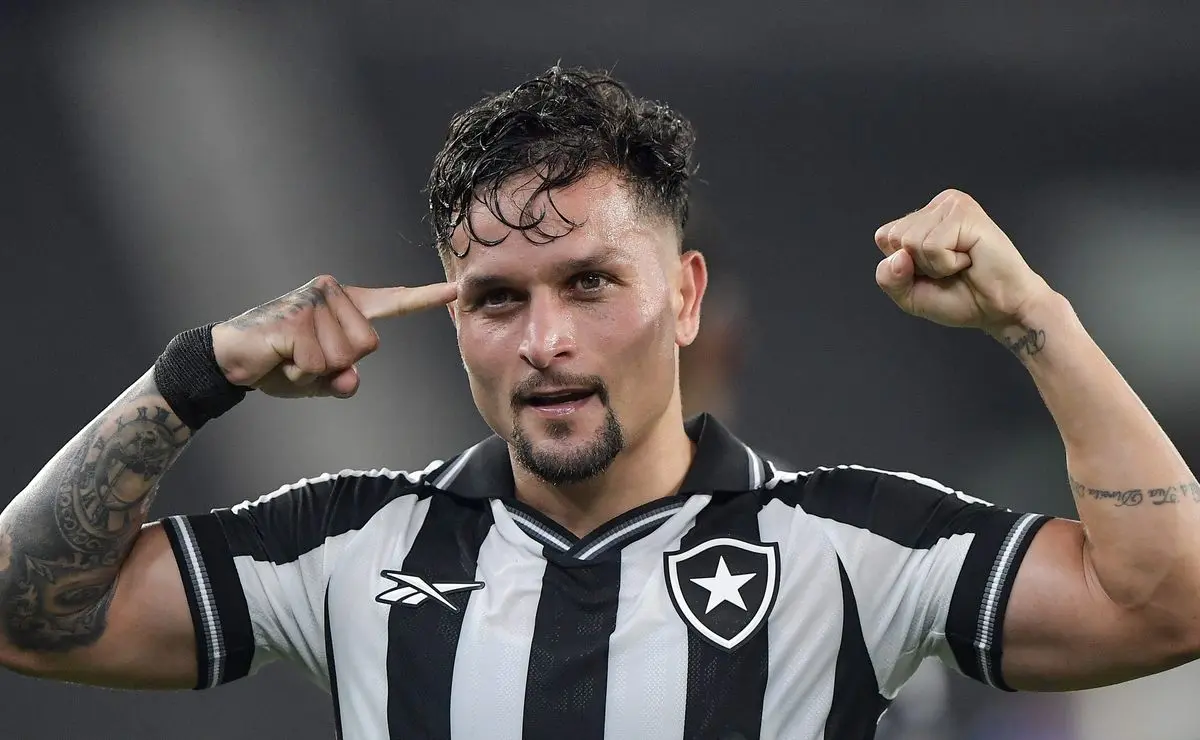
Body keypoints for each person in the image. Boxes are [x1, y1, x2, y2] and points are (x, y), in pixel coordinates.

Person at [0, 67, 1197, 740]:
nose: (546, 341)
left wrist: (1034, 316)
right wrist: (191, 376)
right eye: (496, 298)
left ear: (685, 296)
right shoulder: (350, 543)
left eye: (588, 283)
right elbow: (27, 616)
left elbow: (1168, 599)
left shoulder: (851, 545)